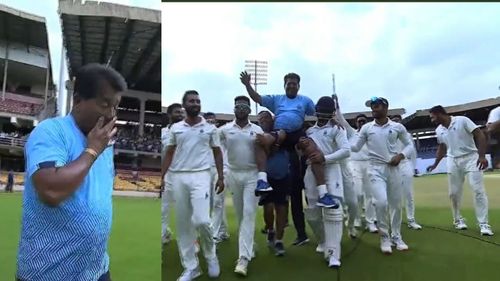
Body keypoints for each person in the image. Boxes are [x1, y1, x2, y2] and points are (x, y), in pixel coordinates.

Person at [16, 63, 125, 281]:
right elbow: (51, 191)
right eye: (105, 104)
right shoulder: (51, 131)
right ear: (78, 100)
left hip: (96, 270)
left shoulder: (105, 145)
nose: (111, 114)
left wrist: (97, 148)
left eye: (115, 106)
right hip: (47, 273)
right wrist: (92, 150)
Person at [240, 71, 315, 246]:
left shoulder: (305, 101)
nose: (291, 85)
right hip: (278, 142)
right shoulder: (277, 99)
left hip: (294, 141)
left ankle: (301, 233)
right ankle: (262, 180)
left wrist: (334, 118)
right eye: (288, 83)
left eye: (294, 83)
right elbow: (258, 98)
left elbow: (319, 112)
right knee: (262, 142)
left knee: (296, 191)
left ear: (298, 86)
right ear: (284, 85)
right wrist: (247, 85)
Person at [162, 90, 223, 281]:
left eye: (198, 100)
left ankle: (210, 255)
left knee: (202, 220)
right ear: (184, 105)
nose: (196, 103)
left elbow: (218, 152)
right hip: (179, 177)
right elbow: (169, 153)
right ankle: (191, 266)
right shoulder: (176, 128)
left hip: (201, 176)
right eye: (191, 101)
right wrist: (161, 177)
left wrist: (221, 177)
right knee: (183, 225)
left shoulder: (210, 128)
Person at [351, 97, 412, 254]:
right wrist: (338, 140)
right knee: (381, 203)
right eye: (372, 107)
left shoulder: (397, 127)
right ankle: (385, 238)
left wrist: (400, 156)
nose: (374, 109)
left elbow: (409, 145)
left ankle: (396, 237)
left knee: (396, 205)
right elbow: (355, 148)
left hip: (394, 169)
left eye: (377, 106)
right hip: (375, 169)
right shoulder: (366, 128)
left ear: (385, 107)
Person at [427, 105, 493, 236]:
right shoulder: (439, 130)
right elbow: (442, 147)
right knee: (453, 193)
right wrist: (435, 164)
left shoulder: (462, 120)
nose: (432, 120)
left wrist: (481, 156)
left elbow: (480, 135)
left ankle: (484, 224)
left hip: (471, 158)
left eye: (432, 117)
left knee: (477, 189)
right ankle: (458, 220)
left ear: (439, 114)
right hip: (452, 160)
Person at [218, 96, 264, 276]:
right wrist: (222, 171)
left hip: (252, 174)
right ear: (234, 109)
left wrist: (262, 175)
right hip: (234, 174)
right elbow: (217, 148)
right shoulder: (225, 130)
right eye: (238, 106)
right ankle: (250, 245)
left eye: (245, 106)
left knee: (249, 213)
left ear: (249, 110)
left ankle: (243, 259)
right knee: (240, 213)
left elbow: (263, 151)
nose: (242, 109)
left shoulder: (257, 129)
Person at [303, 96, 350, 268]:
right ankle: (322, 240)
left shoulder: (337, 129)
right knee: (313, 212)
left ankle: (333, 254)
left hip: (332, 170)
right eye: (319, 113)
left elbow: (346, 151)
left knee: (333, 213)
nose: (321, 117)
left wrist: (325, 158)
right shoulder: (309, 132)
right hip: (311, 173)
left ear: (331, 114)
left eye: (325, 114)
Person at [333, 97, 378, 234]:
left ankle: (370, 222)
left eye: (364, 121)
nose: (361, 123)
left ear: (367, 122)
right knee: (358, 194)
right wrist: (337, 105)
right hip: (355, 165)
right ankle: (357, 219)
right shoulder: (352, 133)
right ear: (356, 123)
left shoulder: (371, 132)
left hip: (369, 164)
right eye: (359, 121)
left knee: (370, 195)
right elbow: (341, 120)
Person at [256, 110, 289, 256]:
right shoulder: (257, 134)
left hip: (283, 174)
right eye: (261, 119)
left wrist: (274, 143)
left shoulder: (280, 131)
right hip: (266, 177)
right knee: (268, 208)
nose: (264, 121)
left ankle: (279, 241)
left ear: (272, 119)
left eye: (267, 118)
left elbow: (282, 135)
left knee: (281, 207)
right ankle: (270, 229)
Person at [390, 114, 422, 230]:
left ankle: (411, 220)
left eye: (398, 121)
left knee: (408, 194)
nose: (396, 123)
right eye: (394, 121)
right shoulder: (386, 134)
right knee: (393, 195)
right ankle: (394, 221)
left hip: (404, 163)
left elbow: (412, 151)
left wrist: (414, 167)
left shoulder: (407, 135)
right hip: (390, 166)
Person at [203, 112, 230, 243]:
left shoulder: (221, 134)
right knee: (210, 203)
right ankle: (223, 231)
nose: (210, 123)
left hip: (221, 170)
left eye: (212, 121)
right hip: (206, 171)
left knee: (218, 202)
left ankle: (213, 235)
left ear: (216, 123)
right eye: (207, 121)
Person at [161, 103, 184, 245]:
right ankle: (163, 235)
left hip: (183, 174)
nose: (181, 115)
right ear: (169, 115)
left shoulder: (187, 131)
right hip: (167, 174)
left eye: (182, 112)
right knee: (163, 209)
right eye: (177, 112)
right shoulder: (163, 132)